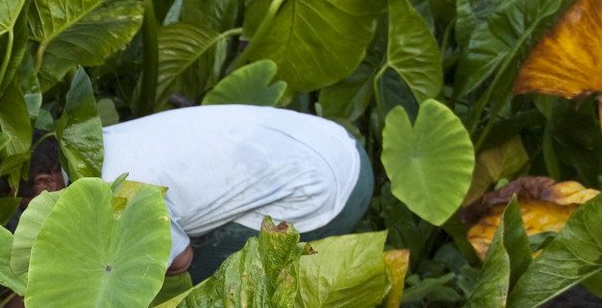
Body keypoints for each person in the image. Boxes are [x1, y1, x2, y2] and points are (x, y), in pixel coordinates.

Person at [29, 103, 374, 279]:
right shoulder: (91, 142)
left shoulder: (111, 188)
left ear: (46, 184)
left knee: (184, 286)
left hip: (328, 191)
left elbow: (180, 260)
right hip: (337, 143)